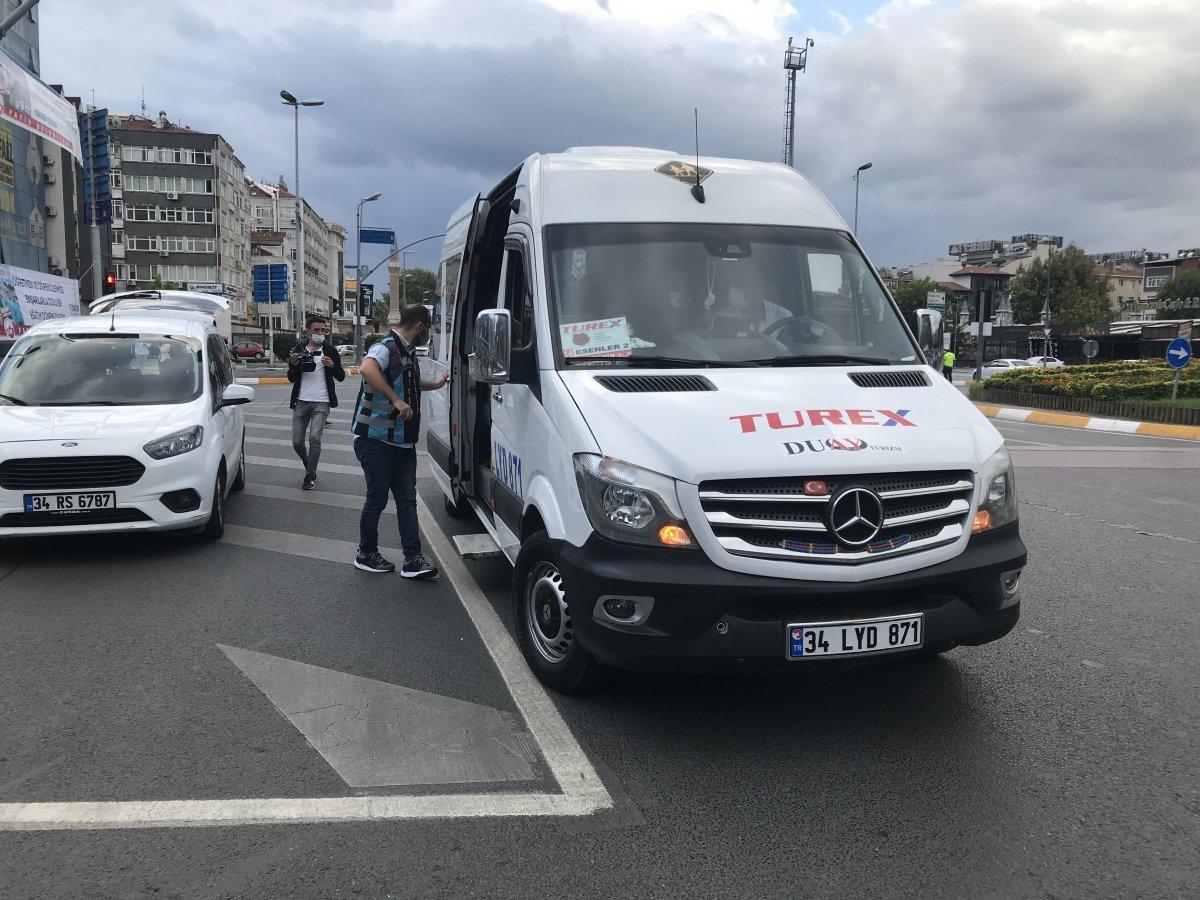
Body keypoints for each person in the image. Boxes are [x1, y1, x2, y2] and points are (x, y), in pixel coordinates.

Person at [351, 303, 448, 578]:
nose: (426, 334)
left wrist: (435, 384)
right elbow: (367, 369)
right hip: (376, 441)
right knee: (377, 499)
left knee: (407, 500)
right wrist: (395, 400)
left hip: (403, 443)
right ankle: (365, 553)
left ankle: (413, 559)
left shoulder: (406, 352)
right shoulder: (385, 347)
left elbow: (408, 382)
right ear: (419, 326)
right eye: (426, 329)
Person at [287, 315, 345, 490]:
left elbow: (341, 376)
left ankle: (310, 475)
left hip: (322, 401)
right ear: (308, 331)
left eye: (323, 330)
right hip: (301, 401)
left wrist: (332, 365)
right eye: (316, 330)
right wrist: (293, 364)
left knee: (314, 438)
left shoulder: (330, 350)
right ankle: (308, 462)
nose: (320, 333)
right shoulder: (298, 349)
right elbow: (291, 378)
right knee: (297, 441)